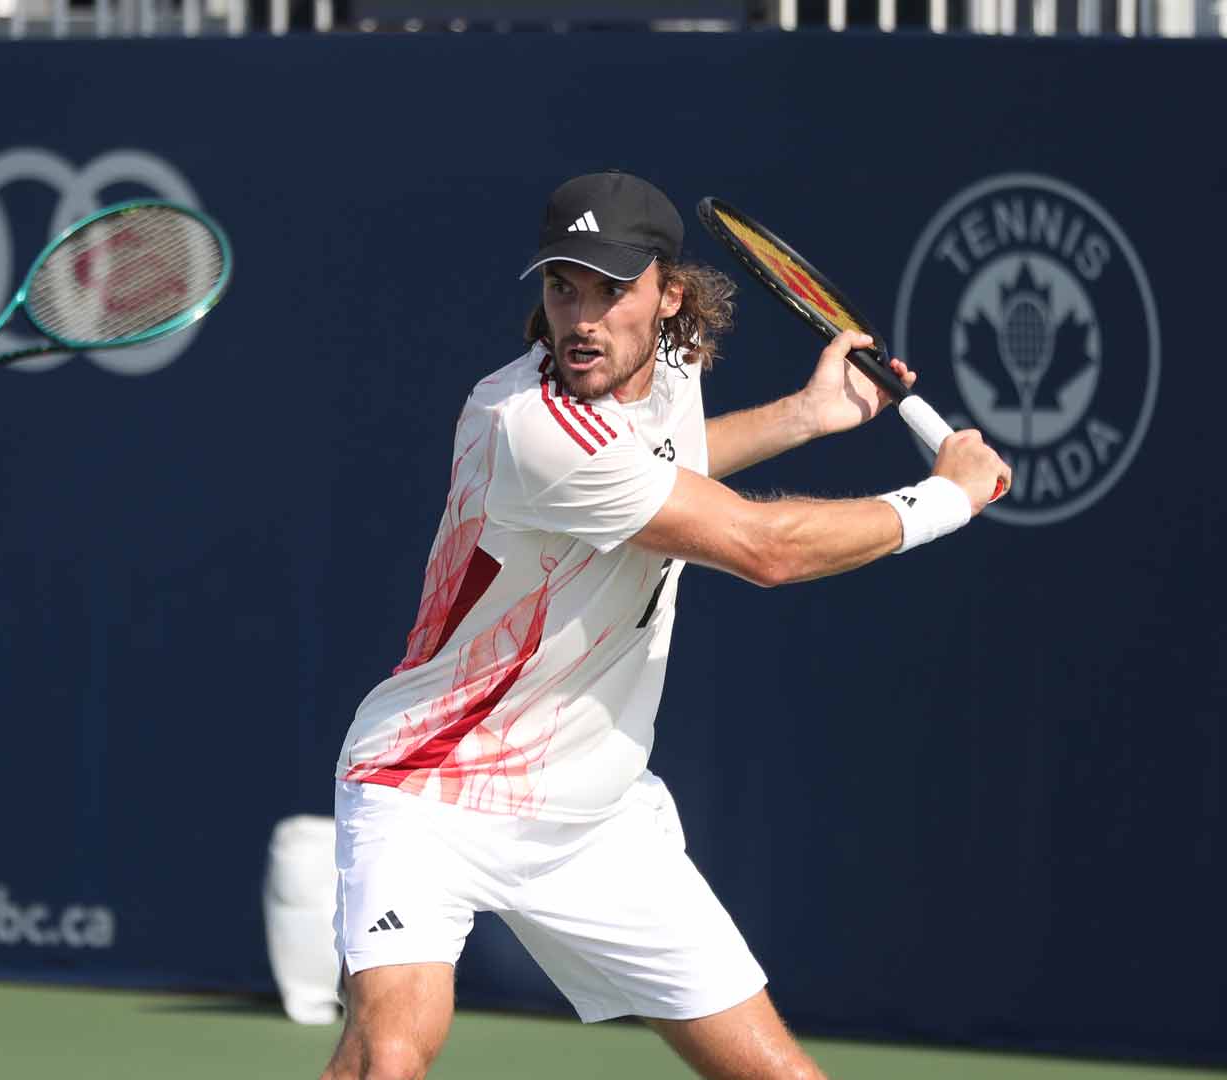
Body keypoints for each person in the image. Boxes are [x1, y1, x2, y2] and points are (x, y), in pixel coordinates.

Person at [323, 171, 1011, 1080]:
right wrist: (946, 498)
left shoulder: (671, 374)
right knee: (391, 1060)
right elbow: (763, 549)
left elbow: (668, 464)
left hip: (597, 816)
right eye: (563, 287)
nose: (582, 317)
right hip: (430, 785)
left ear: (668, 296)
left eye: (612, 290)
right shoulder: (529, 426)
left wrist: (806, 417)